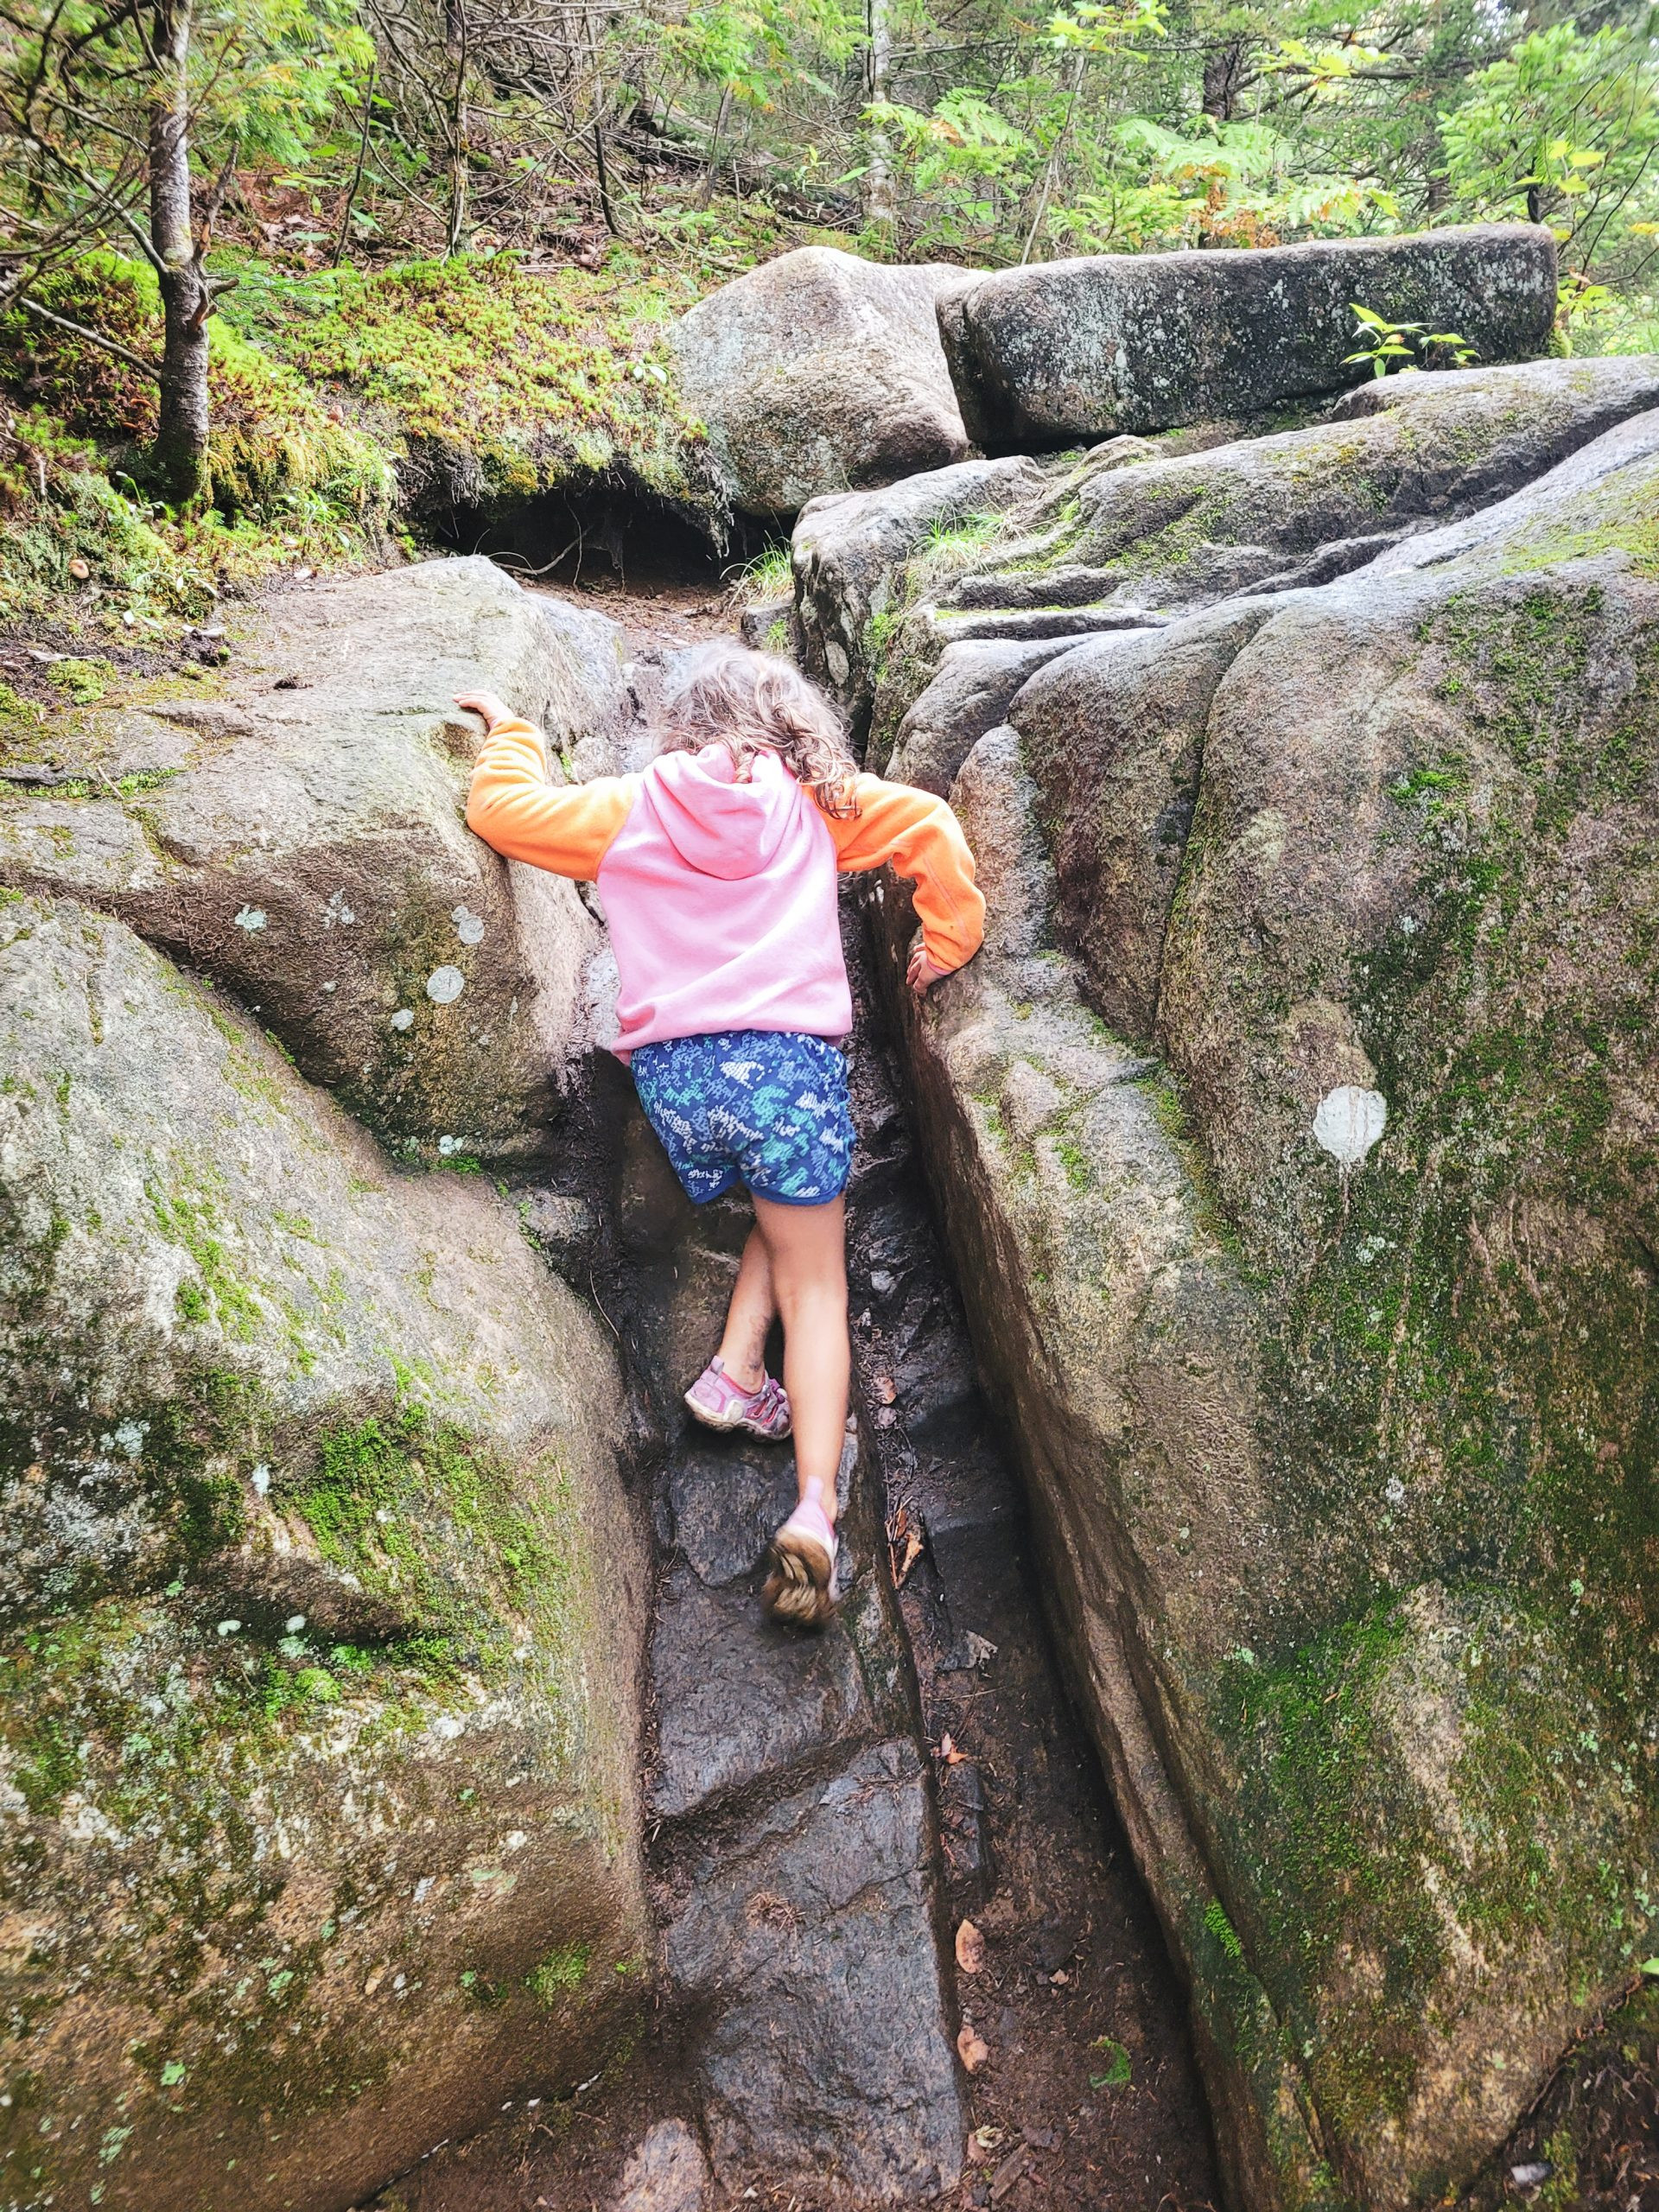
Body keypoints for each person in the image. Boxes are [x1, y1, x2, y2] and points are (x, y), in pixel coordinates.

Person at [458, 643, 983, 1627]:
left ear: (686, 726)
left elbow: (501, 813)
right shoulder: (818, 801)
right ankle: (818, 1508)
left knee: (788, 1216)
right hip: (787, 1072)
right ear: (790, 726)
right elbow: (931, 825)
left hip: (681, 1083)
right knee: (816, 1275)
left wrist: (510, 733)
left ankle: (737, 1371)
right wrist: (947, 935)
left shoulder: (634, 804)